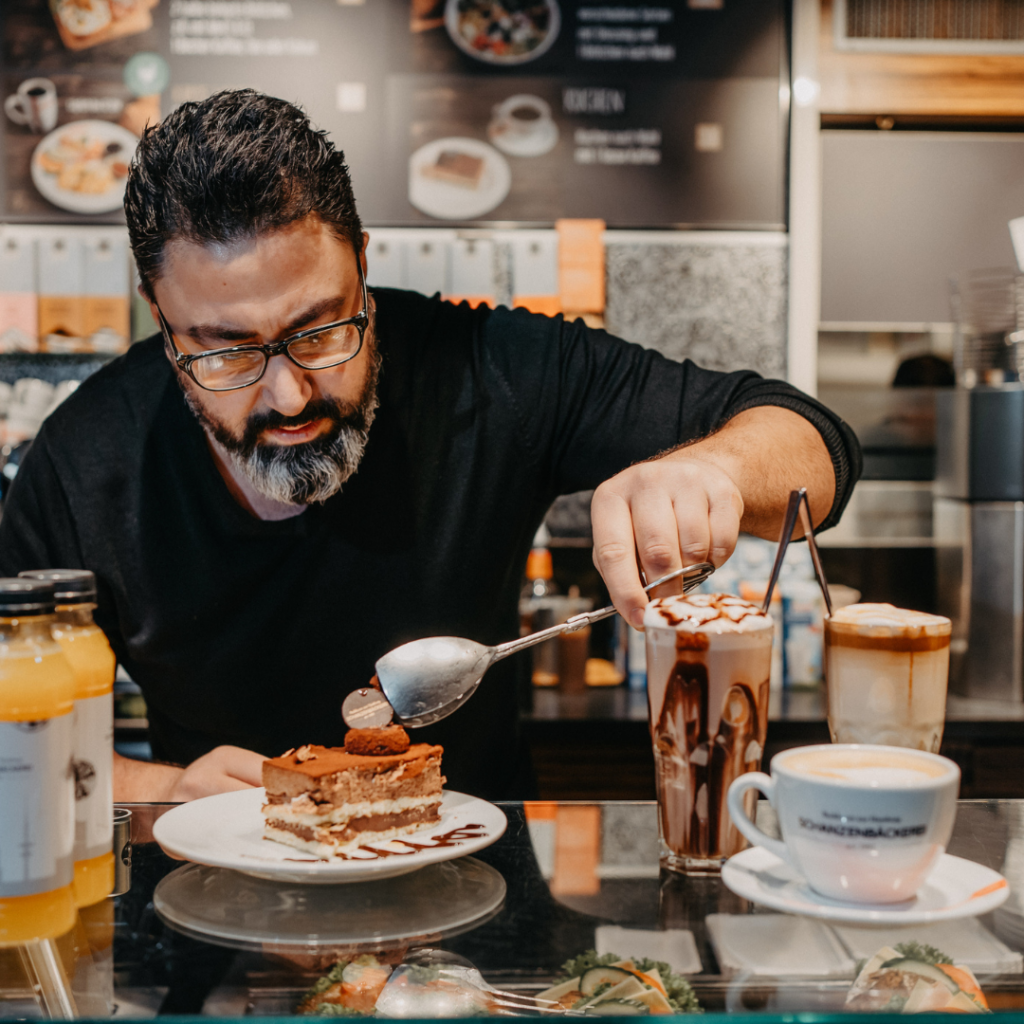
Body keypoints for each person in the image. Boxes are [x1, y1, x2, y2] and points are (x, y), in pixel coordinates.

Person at [0, 91, 860, 802]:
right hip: (210, 926)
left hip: (474, 916)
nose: (288, 394)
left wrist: (707, 468)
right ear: (162, 317)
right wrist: (157, 790)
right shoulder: (89, 454)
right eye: (226, 349)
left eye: (318, 327)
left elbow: (817, 450)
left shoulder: (492, 368)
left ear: (363, 265)